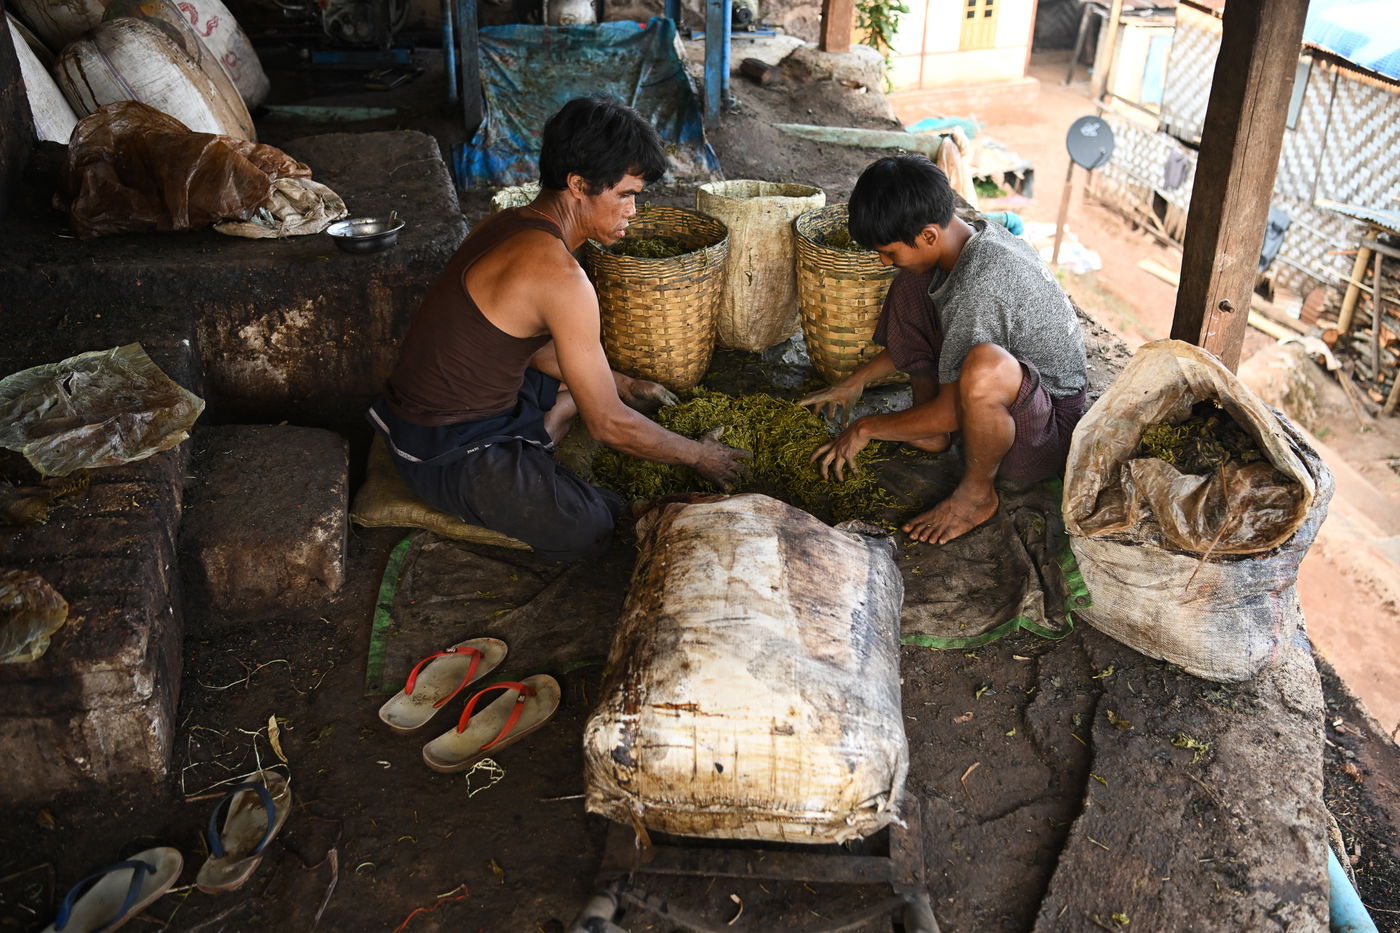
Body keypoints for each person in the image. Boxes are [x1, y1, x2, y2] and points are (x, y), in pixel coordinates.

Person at [368, 96, 748, 561]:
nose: (633, 210)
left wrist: (622, 383)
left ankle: (561, 412)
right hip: (447, 445)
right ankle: (554, 423)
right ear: (578, 184)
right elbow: (608, 425)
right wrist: (700, 456)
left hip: (465, 399)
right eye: (625, 194)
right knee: (590, 525)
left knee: (578, 380)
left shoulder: (506, 222)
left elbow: (514, 344)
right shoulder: (561, 277)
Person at [800, 154, 1088, 545]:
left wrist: (865, 428)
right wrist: (856, 383)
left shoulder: (980, 286)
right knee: (912, 281)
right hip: (1012, 401)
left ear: (929, 235)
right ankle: (930, 428)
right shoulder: (968, 238)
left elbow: (956, 409)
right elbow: (938, 331)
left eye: (890, 251)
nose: (884, 261)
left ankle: (975, 496)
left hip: (1044, 435)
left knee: (984, 368)